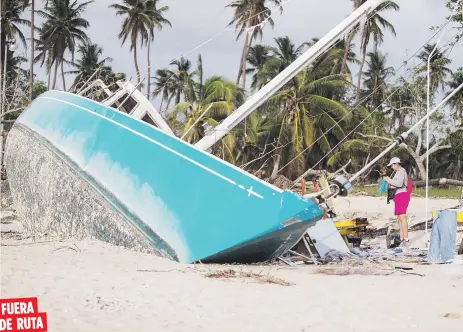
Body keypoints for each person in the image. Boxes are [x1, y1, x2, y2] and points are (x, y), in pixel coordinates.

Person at [382, 157, 411, 245]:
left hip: (402, 195)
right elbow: (394, 185)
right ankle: (402, 238)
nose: (391, 167)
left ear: (396, 164)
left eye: (392, 165)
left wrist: (387, 179)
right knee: (399, 219)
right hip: (398, 196)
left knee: (402, 217)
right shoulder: (397, 173)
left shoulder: (401, 171)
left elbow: (399, 184)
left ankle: (406, 239)